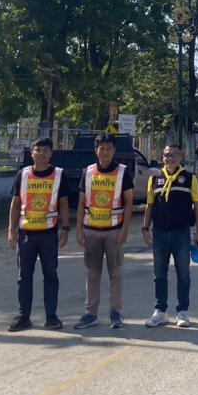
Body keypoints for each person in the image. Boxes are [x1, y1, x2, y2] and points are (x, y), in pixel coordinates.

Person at [7, 137, 69, 332]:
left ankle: (51, 316)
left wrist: (65, 228)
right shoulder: (23, 175)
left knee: (50, 274)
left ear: (51, 154)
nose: (41, 154)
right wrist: (11, 231)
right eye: (38, 150)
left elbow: (64, 203)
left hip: (49, 234)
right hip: (26, 234)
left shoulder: (59, 175)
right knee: (24, 276)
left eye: (45, 150)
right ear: (32, 153)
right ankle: (24, 316)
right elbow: (15, 204)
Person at [74, 134, 134, 330]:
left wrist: (125, 229)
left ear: (114, 150)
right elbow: (81, 202)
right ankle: (90, 313)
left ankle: (115, 312)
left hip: (114, 231)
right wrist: (79, 229)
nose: (105, 152)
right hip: (91, 231)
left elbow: (129, 202)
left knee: (115, 273)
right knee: (92, 274)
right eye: (102, 148)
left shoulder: (123, 172)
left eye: (109, 148)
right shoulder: (88, 172)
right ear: (96, 150)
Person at [142, 144, 198, 328]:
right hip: (159, 234)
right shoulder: (154, 179)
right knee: (159, 274)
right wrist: (145, 228)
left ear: (180, 156)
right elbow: (149, 205)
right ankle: (160, 311)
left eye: (174, 155)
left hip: (181, 234)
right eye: (166, 155)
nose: (170, 159)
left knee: (183, 274)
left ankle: (182, 311)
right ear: (162, 157)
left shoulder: (189, 178)